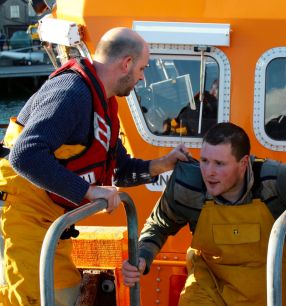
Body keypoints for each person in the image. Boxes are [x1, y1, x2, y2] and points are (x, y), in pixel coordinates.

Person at [0, 27, 189, 306]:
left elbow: (118, 169)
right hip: (26, 220)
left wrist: (162, 164)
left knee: (64, 293)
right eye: (142, 68)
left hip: (51, 222)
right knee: (37, 298)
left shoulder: (104, 103)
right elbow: (25, 155)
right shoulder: (72, 93)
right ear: (126, 63)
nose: (142, 76)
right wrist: (88, 191)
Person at [122, 122, 286, 305]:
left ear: (244, 163)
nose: (209, 172)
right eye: (205, 161)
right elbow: (159, 224)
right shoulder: (186, 185)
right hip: (209, 282)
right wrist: (142, 256)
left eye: (219, 164)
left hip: (270, 282)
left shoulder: (276, 180)